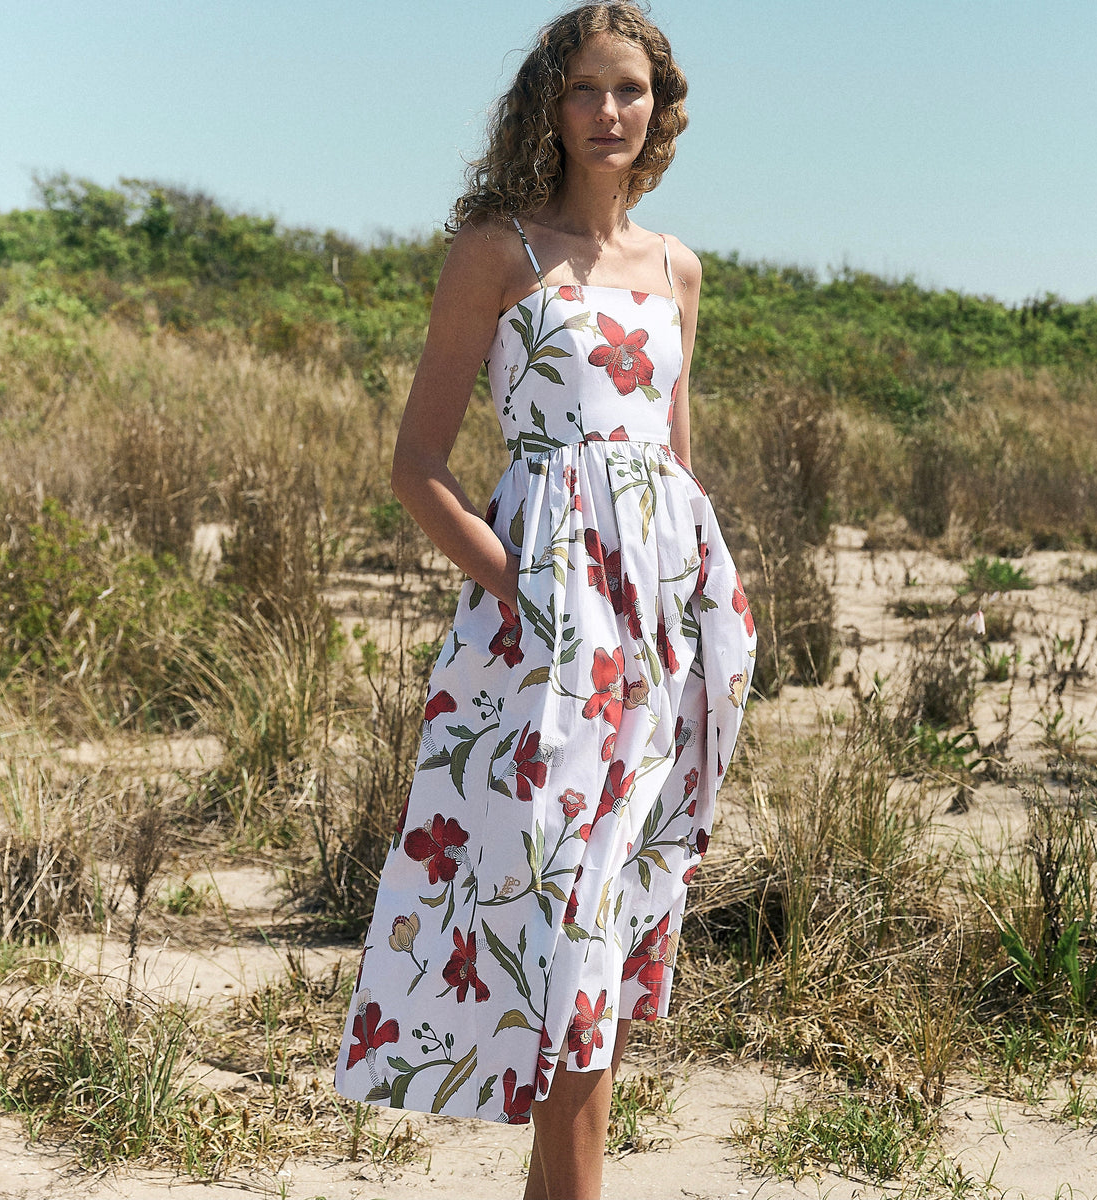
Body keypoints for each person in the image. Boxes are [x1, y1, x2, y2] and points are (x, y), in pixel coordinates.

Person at [334, 4, 755, 1196]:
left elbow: (673, 467)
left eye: (630, 91)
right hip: (541, 644)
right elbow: (416, 467)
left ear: (659, 107)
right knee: (564, 927)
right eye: (585, 90)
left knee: (609, 931)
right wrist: (528, 593)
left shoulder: (678, 268)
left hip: (658, 638)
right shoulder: (497, 252)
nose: (609, 112)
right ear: (549, 106)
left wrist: (705, 611)